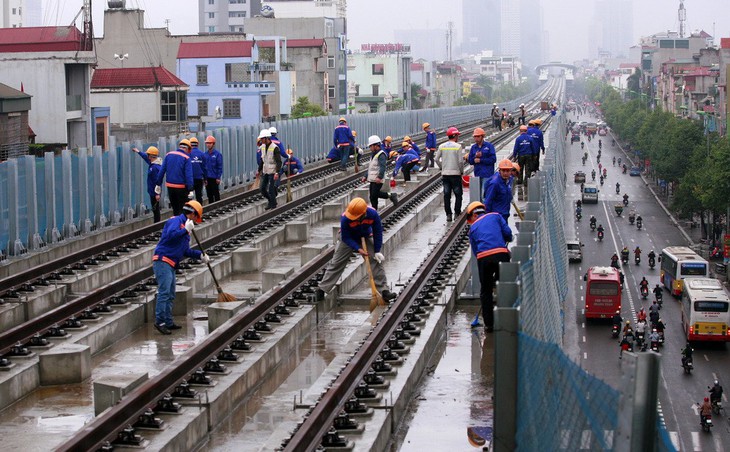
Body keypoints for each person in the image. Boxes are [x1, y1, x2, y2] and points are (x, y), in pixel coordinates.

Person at [316, 197, 397, 302]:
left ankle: (384, 291)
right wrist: (358, 248)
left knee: (375, 261)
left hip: (365, 235)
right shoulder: (345, 218)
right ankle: (322, 289)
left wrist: (377, 250)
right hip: (348, 238)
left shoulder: (373, 214)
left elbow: (378, 232)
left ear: (363, 214)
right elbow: (345, 237)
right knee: (337, 262)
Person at [152, 200, 207, 334]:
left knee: (170, 294)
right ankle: (160, 322)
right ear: (192, 213)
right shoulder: (175, 221)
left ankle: (168, 322)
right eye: (196, 217)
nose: (196, 221)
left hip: (170, 264)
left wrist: (200, 255)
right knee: (164, 293)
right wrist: (185, 230)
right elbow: (171, 236)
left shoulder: (185, 228)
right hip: (163, 261)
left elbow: (185, 251)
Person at [466, 201, 513, 332]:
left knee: (485, 291)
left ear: (474, 215)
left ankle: (489, 324)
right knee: (505, 285)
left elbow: (476, 252)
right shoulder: (496, 216)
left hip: (484, 259)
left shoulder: (472, 228)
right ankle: (507, 318)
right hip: (501, 254)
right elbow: (508, 233)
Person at [155, 138, 193, 216]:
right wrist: (190, 189)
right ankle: (182, 226)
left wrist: (158, 184)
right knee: (183, 209)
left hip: (170, 187)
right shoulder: (186, 158)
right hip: (182, 188)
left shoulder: (168, 155)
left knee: (175, 209)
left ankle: (176, 225)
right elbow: (188, 175)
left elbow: (161, 171)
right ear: (187, 149)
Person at [435, 127, 465, 222]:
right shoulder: (458, 146)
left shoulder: (442, 146)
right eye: (457, 135)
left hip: (445, 174)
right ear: (455, 136)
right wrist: (461, 171)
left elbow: (436, 159)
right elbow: (460, 162)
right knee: (458, 194)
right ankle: (457, 213)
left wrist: (441, 167)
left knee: (446, 194)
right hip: (455, 174)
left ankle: (448, 214)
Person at [365, 135, 398, 210]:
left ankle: (391, 195)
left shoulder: (381, 154)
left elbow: (383, 166)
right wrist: (365, 175)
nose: (370, 148)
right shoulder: (373, 155)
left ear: (376, 145)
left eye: (371, 146)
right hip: (373, 178)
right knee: (372, 196)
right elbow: (371, 168)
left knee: (374, 194)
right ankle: (374, 210)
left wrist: (379, 177)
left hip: (378, 178)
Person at [132, 145, 162, 222]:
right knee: (155, 209)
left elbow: (157, 181)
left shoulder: (155, 167)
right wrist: (138, 152)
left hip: (154, 193)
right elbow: (145, 157)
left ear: (151, 156)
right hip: (153, 192)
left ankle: (157, 226)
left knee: (156, 210)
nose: (147, 156)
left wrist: (157, 194)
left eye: (148, 154)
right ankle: (156, 225)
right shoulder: (154, 163)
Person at [257, 129, 282, 210]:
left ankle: (273, 205)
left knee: (271, 189)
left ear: (267, 138)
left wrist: (277, 173)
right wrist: (259, 170)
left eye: (262, 138)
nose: (261, 140)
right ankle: (271, 201)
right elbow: (262, 160)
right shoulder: (263, 147)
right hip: (265, 171)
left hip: (273, 171)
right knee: (262, 189)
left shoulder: (275, 148)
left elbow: (279, 162)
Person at [467, 127, 497, 192]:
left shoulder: (489, 146)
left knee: (484, 193)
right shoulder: (473, 147)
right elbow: (470, 160)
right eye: (475, 137)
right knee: (478, 194)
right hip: (477, 174)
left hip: (487, 174)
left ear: (482, 136)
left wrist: (481, 160)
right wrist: (475, 157)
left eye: (478, 136)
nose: (476, 138)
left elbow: (493, 159)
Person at [203, 135, 223, 203]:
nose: (208, 145)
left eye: (210, 143)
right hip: (207, 178)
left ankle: (218, 206)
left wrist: (218, 177)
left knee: (216, 194)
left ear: (213, 144)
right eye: (207, 143)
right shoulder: (205, 154)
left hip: (214, 178)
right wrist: (204, 178)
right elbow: (204, 167)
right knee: (209, 195)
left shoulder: (217, 154)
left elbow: (219, 166)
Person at [189, 137, 207, 204]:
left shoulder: (188, 154)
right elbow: (204, 168)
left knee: (189, 196)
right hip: (199, 178)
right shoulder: (202, 154)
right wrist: (205, 179)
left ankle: (189, 212)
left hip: (190, 179)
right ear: (197, 144)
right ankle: (199, 210)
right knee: (199, 196)